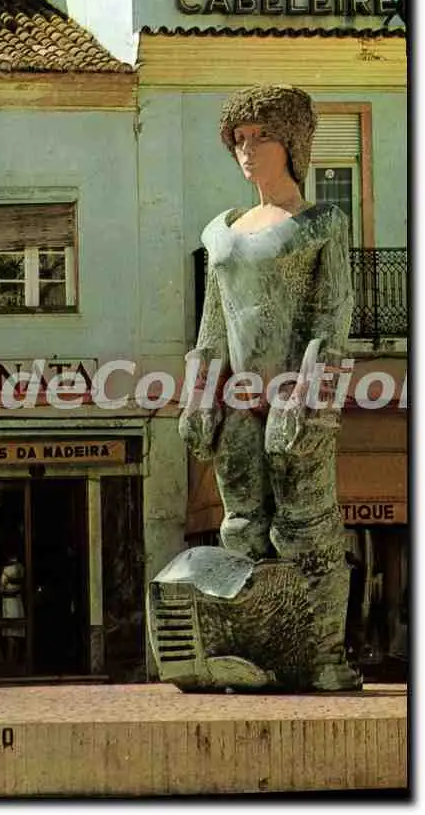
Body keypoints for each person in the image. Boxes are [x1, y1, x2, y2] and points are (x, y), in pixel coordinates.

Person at [179, 84, 361, 691]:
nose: (247, 150)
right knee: (241, 528)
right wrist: (200, 394)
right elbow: (212, 323)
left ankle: (325, 655)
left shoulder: (321, 224)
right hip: (236, 402)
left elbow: (331, 316)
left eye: (261, 137)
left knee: (307, 528)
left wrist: (306, 395)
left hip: (295, 397)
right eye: (239, 139)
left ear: (292, 143)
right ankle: (256, 649)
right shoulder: (221, 231)